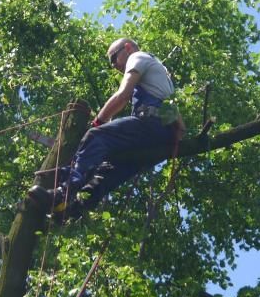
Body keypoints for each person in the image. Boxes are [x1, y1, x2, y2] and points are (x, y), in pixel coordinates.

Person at [30, 37, 181, 220]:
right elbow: (180, 125)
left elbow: (122, 95)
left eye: (113, 58)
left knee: (97, 136)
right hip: (161, 138)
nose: (114, 66)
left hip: (150, 125)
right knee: (110, 169)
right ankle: (71, 209)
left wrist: (97, 123)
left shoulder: (137, 57)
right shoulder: (162, 75)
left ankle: (63, 192)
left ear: (127, 48)